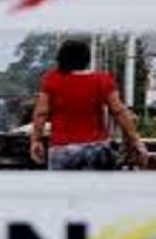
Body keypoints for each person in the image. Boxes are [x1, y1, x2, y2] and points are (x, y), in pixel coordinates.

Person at [30, 40, 149, 170]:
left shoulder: (52, 80)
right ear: (87, 59)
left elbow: (41, 113)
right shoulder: (102, 79)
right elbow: (119, 111)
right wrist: (136, 140)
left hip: (63, 149)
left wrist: (36, 140)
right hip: (97, 148)